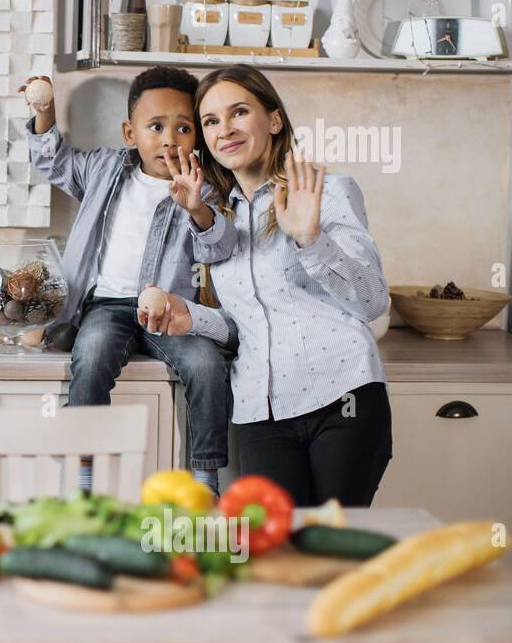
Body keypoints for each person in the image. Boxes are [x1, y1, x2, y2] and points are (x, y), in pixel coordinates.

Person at [144, 65, 392, 506]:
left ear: (274, 120)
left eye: (239, 112)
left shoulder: (326, 191)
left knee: (330, 552)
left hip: (342, 397)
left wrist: (311, 239)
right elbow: (247, 326)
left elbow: (372, 302)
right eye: (211, 121)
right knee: (274, 558)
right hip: (261, 410)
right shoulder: (218, 217)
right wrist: (191, 316)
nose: (226, 130)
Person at [24, 67, 231, 491]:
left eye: (184, 128)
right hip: (107, 308)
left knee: (207, 365)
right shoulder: (103, 169)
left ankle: (206, 475)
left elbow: (219, 250)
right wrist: (44, 111)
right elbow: (54, 161)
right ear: (130, 132)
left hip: (172, 313)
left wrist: (197, 209)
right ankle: (84, 474)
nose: (170, 139)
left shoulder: (204, 189)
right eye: (156, 127)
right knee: (94, 355)